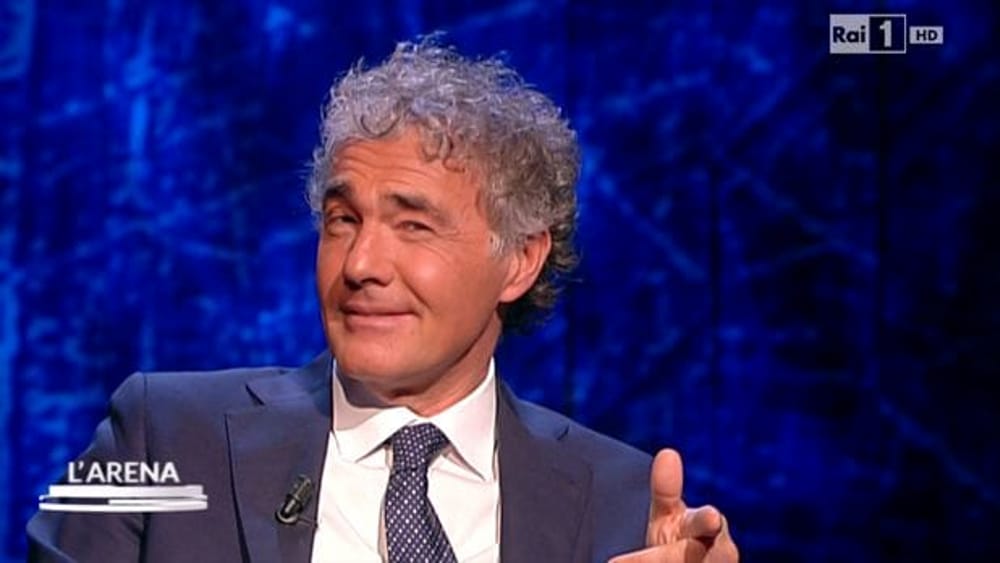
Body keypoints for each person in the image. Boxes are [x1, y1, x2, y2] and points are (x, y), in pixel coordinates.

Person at [27, 39, 738, 563]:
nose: (361, 264)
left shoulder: (624, 507)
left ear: (520, 260)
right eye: (343, 220)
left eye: (414, 225)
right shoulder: (160, 435)